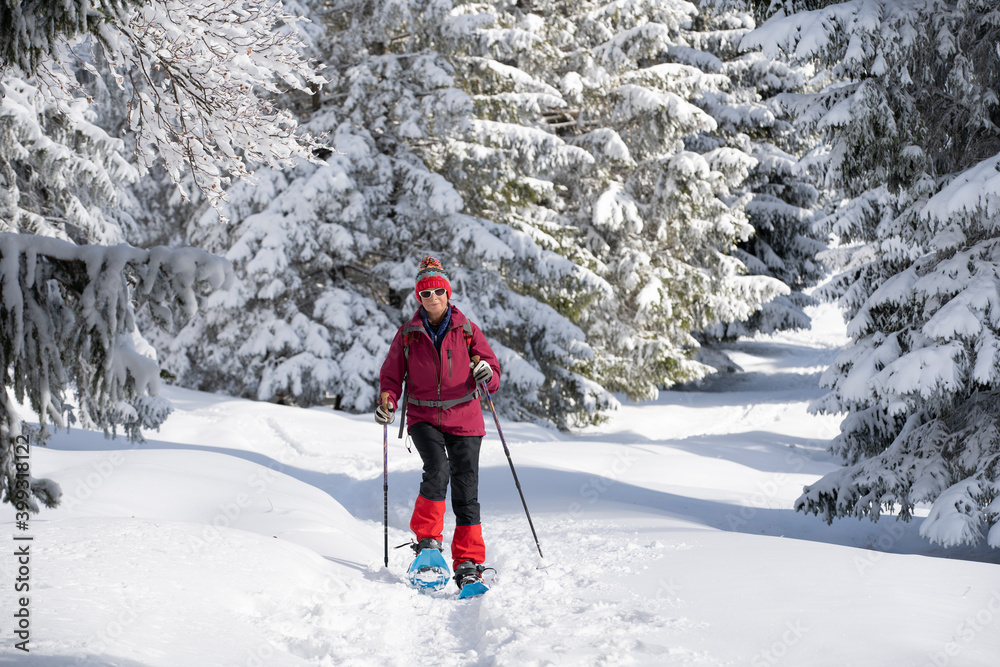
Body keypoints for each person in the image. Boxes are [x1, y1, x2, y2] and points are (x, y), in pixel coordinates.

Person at [376, 256, 501, 591]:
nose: (431, 298)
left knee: (466, 488)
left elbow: (491, 369)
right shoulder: (408, 334)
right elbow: (391, 376)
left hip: (465, 416)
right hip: (424, 416)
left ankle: (468, 562)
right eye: (424, 293)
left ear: (447, 293)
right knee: (437, 470)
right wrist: (388, 401)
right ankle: (429, 544)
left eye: (437, 291)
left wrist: (486, 374)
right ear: (418, 298)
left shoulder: (466, 329)